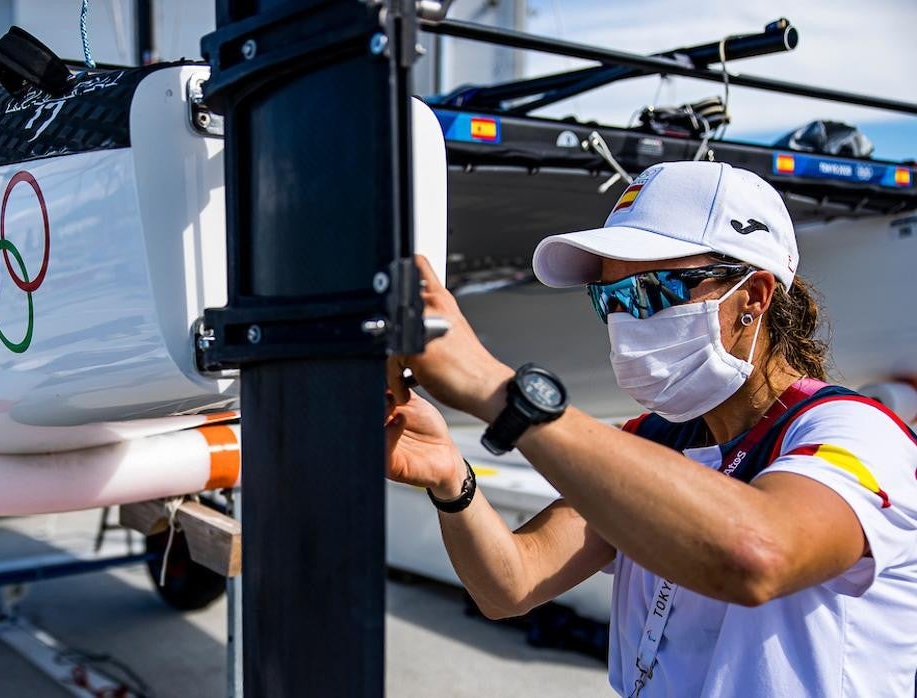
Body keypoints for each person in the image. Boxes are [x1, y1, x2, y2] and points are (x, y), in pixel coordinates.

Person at [387, 160, 917, 696]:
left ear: (754, 297)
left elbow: (759, 555)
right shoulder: (655, 438)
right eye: (608, 300)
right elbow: (512, 584)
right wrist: (451, 478)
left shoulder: (854, 434)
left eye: (654, 292)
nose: (625, 321)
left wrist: (503, 394)